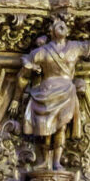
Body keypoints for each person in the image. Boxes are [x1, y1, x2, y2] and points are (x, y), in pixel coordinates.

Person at [9, 18, 90, 171]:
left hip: (66, 91)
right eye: (57, 24)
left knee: (61, 126)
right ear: (51, 31)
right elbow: (22, 76)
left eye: (64, 24)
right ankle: (45, 160)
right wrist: (15, 99)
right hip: (46, 93)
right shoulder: (41, 52)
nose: (62, 25)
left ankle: (57, 161)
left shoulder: (75, 47)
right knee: (45, 128)